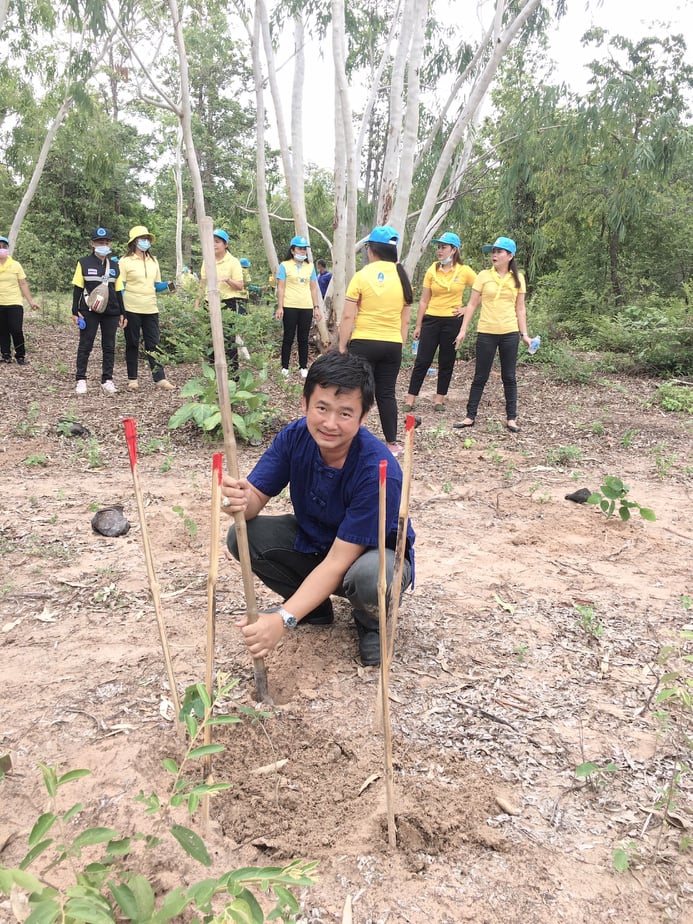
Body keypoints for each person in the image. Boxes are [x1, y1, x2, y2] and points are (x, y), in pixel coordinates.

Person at [221, 351, 415, 667]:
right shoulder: (295, 437)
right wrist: (238, 499)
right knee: (243, 535)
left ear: (364, 416)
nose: (330, 423)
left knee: (371, 576)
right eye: (321, 408)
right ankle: (312, 609)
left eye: (345, 413)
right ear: (305, 403)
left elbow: (339, 561)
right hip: (316, 543)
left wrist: (282, 618)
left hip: (369, 555)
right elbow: (254, 498)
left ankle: (372, 622)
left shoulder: (378, 472)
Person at [338, 225, 413, 456]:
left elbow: (348, 315)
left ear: (371, 250)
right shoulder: (402, 277)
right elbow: (405, 321)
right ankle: (392, 444)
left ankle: (350, 438)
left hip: (364, 342)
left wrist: (342, 345)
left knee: (357, 391)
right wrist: (398, 344)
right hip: (392, 344)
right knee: (386, 393)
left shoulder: (361, 276)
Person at [453, 236, 532, 433]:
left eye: (499, 252)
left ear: (510, 256)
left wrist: (524, 334)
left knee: (509, 376)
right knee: (480, 376)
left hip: (510, 332)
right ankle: (470, 416)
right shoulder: (483, 275)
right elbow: (472, 304)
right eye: (493, 252)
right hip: (486, 332)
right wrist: (463, 330)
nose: (494, 255)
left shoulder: (518, 278)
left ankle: (511, 418)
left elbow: (520, 308)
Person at [403, 232, 476, 414]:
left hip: (452, 321)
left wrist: (466, 308)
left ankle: (439, 400)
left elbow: (481, 290)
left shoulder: (464, 271)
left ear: (454, 250)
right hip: (431, 320)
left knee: (446, 361)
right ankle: (410, 399)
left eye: (443, 247)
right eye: (438, 247)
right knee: (422, 360)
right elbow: (423, 300)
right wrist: (418, 325)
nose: (439, 251)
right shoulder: (432, 270)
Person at [119, 224, 175, 390]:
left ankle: (160, 378)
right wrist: (121, 311)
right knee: (132, 343)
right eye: (142, 238)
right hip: (131, 307)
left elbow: (156, 285)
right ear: (134, 242)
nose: (146, 241)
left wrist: (169, 285)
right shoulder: (125, 261)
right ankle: (132, 379)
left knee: (154, 344)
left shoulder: (153, 261)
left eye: (147, 239)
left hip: (151, 308)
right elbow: (120, 287)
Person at [71, 228, 127, 395]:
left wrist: (123, 313)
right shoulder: (83, 263)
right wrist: (75, 311)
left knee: (109, 346)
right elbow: (77, 288)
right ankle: (81, 379)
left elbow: (119, 291)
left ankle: (107, 380)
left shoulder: (115, 266)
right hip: (89, 310)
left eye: (106, 242)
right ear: (92, 244)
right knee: (85, 344)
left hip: (111, 311)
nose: (103, 245)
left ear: (110, 244)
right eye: (99, 242)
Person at [195, 229, 245, 373]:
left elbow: (240, 286)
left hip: (227, 303)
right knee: (210, 340)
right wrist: (197, 304)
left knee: (228, 339)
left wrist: (228, 280)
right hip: (208, 302)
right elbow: (202, 284)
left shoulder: (233, 262)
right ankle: (214, 376)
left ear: (225, 244)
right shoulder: (207, 260)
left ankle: (233, 375)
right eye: (211, 242)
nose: (214, 245)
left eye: (217, 242)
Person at [275, 234, 321, 378]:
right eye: (300, 249)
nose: (302, 251)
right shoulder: (284, 265)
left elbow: (313, 288)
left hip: (306, 306)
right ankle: (285, 367)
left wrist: (316, 307)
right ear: (292, 250)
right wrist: (280, 307)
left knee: (303, 338)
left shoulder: (310, 267)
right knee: (288, 337)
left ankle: (303, 366)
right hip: (289, 306)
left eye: (304, 249)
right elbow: (281, 287)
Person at [0, 235, 40, 365]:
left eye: (4, 246)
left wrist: (31, 302)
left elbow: (23, 284)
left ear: (8, 248)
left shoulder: (15, 265)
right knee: (2, 330)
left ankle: (20, 355)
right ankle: (5, 355)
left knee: (16, 330)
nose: (1, 249)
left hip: (14, 303)